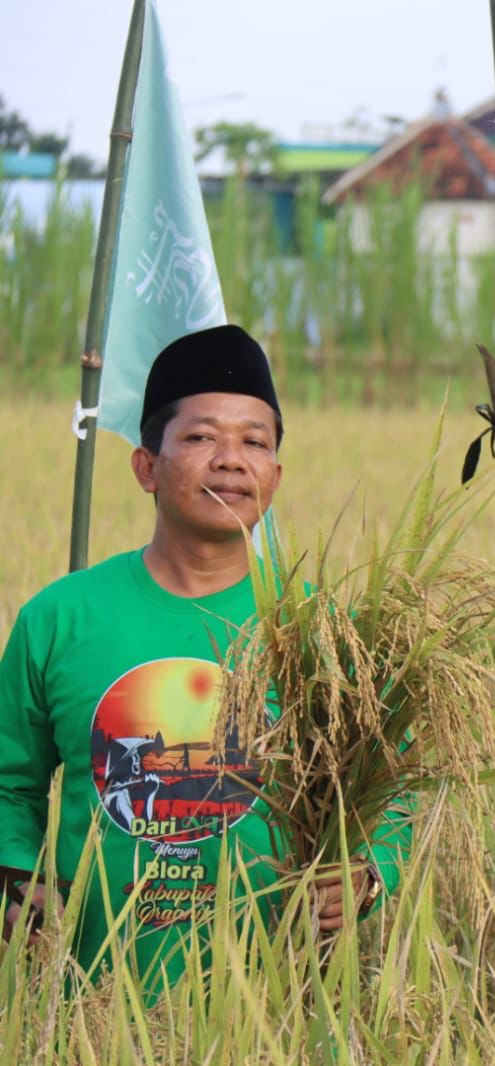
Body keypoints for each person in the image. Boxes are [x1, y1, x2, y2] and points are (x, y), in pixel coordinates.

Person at [0, 325, 405, 985]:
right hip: (88, 1004)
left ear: (274, 473)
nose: (230, 459)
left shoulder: (326, 629)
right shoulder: (61, 617)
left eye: (255, 441)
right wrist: (18, 874)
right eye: (199, 437)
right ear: (146, 468)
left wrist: (365, 873)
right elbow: (8, 779)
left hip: (277, 1004)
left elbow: (390, 791)